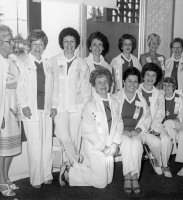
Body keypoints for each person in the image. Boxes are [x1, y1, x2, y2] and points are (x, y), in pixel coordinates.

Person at [59, 67, 123, 188]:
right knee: (101, 183)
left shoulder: (115, 102)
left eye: (105, 82)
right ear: (94, 85)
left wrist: (115, 143)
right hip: (96, 148)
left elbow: (119, 123)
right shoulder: (90, 105)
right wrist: (102, 147)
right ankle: (69, 173)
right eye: (99, 82)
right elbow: (88, 131)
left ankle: (77, 167)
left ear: (109, 83)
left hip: (110, 147)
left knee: (109, 180)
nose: (103, 85)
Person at [17, 29, 57, 188]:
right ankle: (36, 178)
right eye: (34, 44)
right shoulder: (23, 62)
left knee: (47, 143)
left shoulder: (47, 64)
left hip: (46, 109)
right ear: (30, 45)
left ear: (44, 46)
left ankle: (47, 174)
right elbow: (20, 87)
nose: (38, 47)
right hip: (31, 109)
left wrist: (54, 105)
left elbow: (54, 87)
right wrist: (23, 106)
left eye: (41, 44)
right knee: (34, 144)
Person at [113, 67, 159, 195]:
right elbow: (112, 118)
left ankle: (135, 176)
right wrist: (122, 131)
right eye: (129, 81)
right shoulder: (115, 98)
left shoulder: (141, 100)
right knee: (127, 143)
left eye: (135, 82)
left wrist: (139, 129)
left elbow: (147, 118)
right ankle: (128, 176)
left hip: (137, 132)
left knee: (137, 144)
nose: (132, 84)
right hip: (120, 132)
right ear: (123, 82)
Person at [50, 27, 90, 164]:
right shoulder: (53, 61)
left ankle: (69, 169)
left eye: (72, 41)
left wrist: (85, 108)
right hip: (59, 107)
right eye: (66, 41)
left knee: (75, 139)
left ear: (76, 43)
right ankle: (76, 162)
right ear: (62, 43)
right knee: (63, 135)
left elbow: (86, 89)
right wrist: (53, 105)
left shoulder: (82, 63)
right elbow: (52, 85)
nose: (69, 45)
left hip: (77, 107)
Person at [138, 63, 173, 177]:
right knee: (156, 142)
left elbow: (161, 113)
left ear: (157, 77)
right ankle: (157, 160)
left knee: (166, 139)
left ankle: (165, 164)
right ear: (143, 76)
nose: (150, 78)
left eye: (153, 75)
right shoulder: (136, 90)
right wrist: (146, 127)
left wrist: (154, 127)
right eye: (148, 74)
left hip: (155, 124)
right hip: (140, 126)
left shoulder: (159, 94)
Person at [0, 25, 21, 196]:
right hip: (2, 108)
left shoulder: (13, 60)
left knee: (11, 148)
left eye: (11, 39)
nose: (12, 42)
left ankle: (6, 177)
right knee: (2, 148)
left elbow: (19, 85)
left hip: (14, 108)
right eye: (8, 40)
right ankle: (0, 181)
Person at [84, 31, 112, 96]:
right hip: (86, 102)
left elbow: (110, 88)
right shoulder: (83, 63)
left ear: (103, 47)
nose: (97, 47)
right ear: (90, 47)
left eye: (100, 45)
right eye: (94, 45)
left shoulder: (108, 67)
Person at [162, 77, 183, 154]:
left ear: (174, 87)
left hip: (177, 124)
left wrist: (174, 120)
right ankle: (173, 148)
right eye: (164, 85)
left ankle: (171, 150)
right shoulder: (160, 98)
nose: (166, 88)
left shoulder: (179, 98)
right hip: (164, 125)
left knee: (169, 122)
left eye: (169, 85)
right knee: (167, 125)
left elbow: (182, 115)